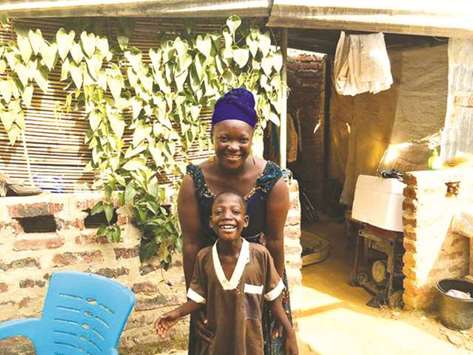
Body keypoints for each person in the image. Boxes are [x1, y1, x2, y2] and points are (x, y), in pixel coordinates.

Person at [178, 87, 291, 354]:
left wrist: (274, 300)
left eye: (242, 139)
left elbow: (274, 242)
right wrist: (197, 302)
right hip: (213, 283)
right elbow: (191, 245)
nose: (233, 147)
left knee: (258, 343)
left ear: (253, 137)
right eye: (224, 138)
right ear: (212, 135)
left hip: (257, 280)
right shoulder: (194, 181)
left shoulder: (272, 181)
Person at [156, 192, 298, 355]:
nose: (227, 217)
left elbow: (274, 301)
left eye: (235, 212)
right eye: (219, 212)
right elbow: (199, 298)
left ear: (245, 221)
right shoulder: (204, 257)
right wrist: (176, 314)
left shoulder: (260, 256)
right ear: (211, 222)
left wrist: (289, 332)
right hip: (215, 346)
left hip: (250, 348)